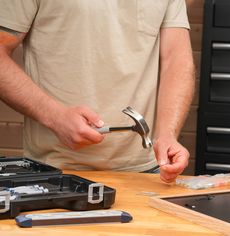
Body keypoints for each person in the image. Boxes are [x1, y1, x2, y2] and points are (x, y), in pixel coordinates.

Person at [0, 0, 195, 183]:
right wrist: (54, 116)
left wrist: (167, 134)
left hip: (147, 172)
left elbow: (176, 61)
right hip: (55, 171)